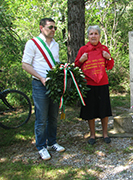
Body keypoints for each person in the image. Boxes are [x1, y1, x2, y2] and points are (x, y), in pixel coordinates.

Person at [22, 18, 65, 160]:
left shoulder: (56, 44)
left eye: (55, 28)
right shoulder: (32, 43)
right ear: (41, 27)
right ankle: (41, 146)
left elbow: (55, 63)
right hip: (39, 84)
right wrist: (41, 78)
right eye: (50, 27)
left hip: (53, 85)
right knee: (41, 118)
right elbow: (26, 65)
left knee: (53, 116)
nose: (53, 30)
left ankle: (52, 142)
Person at [75, 25, 114, 145]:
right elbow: (76, 66)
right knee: (90, 111)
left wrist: (109, 57)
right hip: (89, 84)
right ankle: (92, 135)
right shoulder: (83, 49)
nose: (93, 36)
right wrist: (81, 60)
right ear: (88, 36)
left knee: (104, 110)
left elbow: (110, 66)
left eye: (96, 33)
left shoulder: (104, 48)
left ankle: (105, 134)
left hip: (102, 83)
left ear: (99, 36)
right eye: (91, 34)